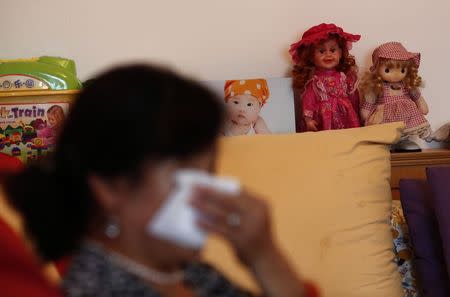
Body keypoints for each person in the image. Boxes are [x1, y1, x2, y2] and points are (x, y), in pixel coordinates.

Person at [4, 65, 319, 297]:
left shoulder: (187, 273)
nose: (207, 192)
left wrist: (265, 256)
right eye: (185, 176)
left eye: (209, 174)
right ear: (111, 186)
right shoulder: (98, 287)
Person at [290, 23, 361, 132]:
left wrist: (356, 112)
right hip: (324, 118)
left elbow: (353, 97)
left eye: (333, 50)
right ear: (312, 56)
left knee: (348, 135)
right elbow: (308, 100)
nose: (328, 55)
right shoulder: (315, 81)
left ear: (340, 53)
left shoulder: (343, 77)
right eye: (321, 51)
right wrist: (308, 120)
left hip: (346, 116)